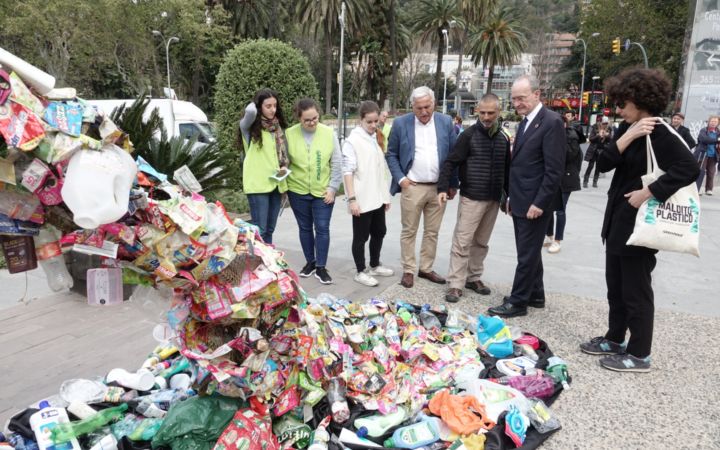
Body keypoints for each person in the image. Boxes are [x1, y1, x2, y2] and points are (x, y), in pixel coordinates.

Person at [579, 68, 699, 373]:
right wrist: (628, 135)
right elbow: (603, 162)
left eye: (623, 103)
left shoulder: (661, 132)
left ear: (640, 100)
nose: (618, 109)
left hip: (640, 226)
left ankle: (640, 353)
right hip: (617, 222)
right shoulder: (629, 128)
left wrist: (648, 192)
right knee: (615, 287)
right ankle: (615, 338)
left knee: (636, 291)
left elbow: (688, 168)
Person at [487, 75, 565, 318]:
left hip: (534, 203)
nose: (517, 103)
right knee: (528, 251)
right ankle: (536, 294)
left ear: (536, 94)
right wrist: (510, 197)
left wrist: (539, 203)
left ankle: (518, 301)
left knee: (526, 254)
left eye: (522, 98)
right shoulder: (525, 122)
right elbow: (520, 164)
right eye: (514, 99)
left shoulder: (551, 122)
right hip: (520, 200)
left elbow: (554, 170)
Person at [437, 94, 510, 303]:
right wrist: (444, 187)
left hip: (494, 199)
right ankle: (455, 283)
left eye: (491, 113)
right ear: (477, 111)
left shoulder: (503, 138)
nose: (486, 117)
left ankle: (474, 277)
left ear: (499, 112)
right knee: (463, 241)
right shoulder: (468, 135)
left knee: (481, 242)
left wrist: (507, 197)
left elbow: (507, 170)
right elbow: (451, 162)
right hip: (471, 198)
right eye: (483, 112)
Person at [386, 86, 458, 288]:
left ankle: (426, 268)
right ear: (412, 106)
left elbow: (454, 155)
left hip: (438, 188)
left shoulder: (445, 122)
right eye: (419, 108)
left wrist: (452, 184)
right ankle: (409, 270)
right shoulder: (401, 124)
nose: (424, 112)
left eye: (427, 107)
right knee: (409, 230)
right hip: (413, 186)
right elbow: (391, 154)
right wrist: (401, 179)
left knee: (432, 231)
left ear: (434, 104)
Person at [285, 98, 342, 284]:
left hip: (323, 191)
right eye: (306, 120)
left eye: (315, 118)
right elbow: (284, 162)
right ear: (299, 118)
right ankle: (310, 262)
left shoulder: (328, 133)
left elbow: (337, 162)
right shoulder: (289, 134)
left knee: (323, 228)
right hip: (297, 190)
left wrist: (333, 188)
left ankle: (321, 267)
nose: (311, 123)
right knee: (305, 228)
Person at [342, 100, 395, 287]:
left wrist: (385, 196)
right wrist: (352, 199)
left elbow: (380, 169)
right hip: (362, 198)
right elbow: (347, 171)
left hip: (378, 197)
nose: (373, 125)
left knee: (380, 231)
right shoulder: (352, 141)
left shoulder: (375, 137)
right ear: (360, 120)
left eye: (375, 121)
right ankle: (360, 270)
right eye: (369, 122)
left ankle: (374, 264)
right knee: (361, 236)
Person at [239, 88, 289, 244]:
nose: (273, 109)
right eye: (268, 106)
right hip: (258, 186)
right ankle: (256, 261)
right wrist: (256, 102)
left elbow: (280, 156)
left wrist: (283, 167)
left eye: (275, 105)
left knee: (269, 229)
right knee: (260, 229)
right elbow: (249, 111)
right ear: (259, 106)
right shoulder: (248, 128)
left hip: (276, 184)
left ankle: (267, 261)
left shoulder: (277, 129)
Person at [545, 110, 585, 254]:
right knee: (548, 206)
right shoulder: (554, 135)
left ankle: (558, 240)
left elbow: (568, 156)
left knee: (560, 210)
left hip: (566, 177)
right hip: (553, 177)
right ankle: (550, 236)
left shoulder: (571, 136)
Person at [583, 116, 613, 188]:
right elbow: (591, 139)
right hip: (594, 150)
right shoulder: (595, 128)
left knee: (598, 167)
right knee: (590, 166)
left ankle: (595, 182)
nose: (605, 125)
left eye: (606, 123)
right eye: (603, 123)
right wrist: (598, 135)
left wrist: (607, 135)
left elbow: (611, 140)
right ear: (600, 123)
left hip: (602, 150)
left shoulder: (609, 129)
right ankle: (585, 181)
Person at [695, 115, 719, 195]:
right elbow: (704, 139)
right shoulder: (703, 130)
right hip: (703, 154)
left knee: (711, 172)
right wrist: (717, 140)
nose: (713, 123)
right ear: (708, 122)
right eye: (712, 121)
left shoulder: (718, 132)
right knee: (700, 172)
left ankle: (709, 189)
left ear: (718, 123)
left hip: (713, 155)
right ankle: (696, 189)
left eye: (715, 122)